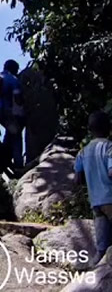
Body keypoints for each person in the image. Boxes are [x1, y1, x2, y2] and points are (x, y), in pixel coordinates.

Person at [74, 110, 112, 266]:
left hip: (95, 201)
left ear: (90, 130)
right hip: (110, 198)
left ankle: (95, 266)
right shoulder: (109, 147)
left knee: (102, 245)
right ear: (109, 128)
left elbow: (77, 179)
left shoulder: (83, 152)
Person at [0, 60, 27, 170]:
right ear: (14, 69)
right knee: (16, 137)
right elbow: (17, 99)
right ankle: (18, 164)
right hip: (8, 113)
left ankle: (2, 162)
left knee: (8, 135)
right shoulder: (13, 80)